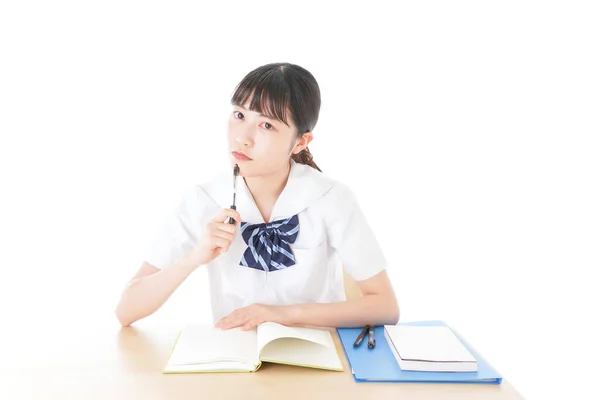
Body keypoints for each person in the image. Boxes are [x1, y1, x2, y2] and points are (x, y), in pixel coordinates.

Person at [115, 62, 399, 330]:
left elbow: (385, 307)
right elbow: (126, 310)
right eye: (239, 115)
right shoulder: (202, 200)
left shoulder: (331, 198)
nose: (243, 137)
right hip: (236, 361)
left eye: (266, 125)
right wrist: (194, 257)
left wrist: (284, 315)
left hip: (316, 356)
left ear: (300, 142)